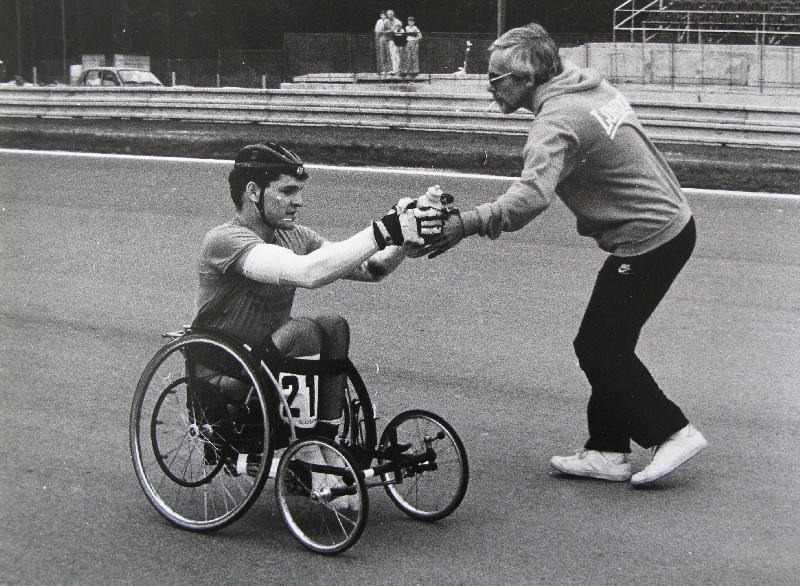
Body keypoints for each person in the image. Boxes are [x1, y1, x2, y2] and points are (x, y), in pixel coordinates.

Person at [420, 23, 707, 486]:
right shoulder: (582, 82)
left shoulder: (556, 123)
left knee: (598, 346)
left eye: (497, 78)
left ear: (529, 77)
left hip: (650, 238)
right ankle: (607, 451)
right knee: (608, 342)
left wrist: (466, 223)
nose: (489, 87)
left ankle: (671, 431)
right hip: (669, 224)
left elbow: (531, 197)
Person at [193, 142, 442, 445]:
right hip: (224, 377)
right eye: (287, 191)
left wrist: (401, 241)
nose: (299, 201)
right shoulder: (224, 240)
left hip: (266, 365)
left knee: (334, 326)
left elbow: (372, 268)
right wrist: (385, 229)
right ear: (253, 192)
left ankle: (323, 437)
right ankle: (308, 450)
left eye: (299, 191)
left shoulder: (297, 235)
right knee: (303, 331)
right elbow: (308, 272)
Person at [383, 10, 403, 75]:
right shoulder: (386, 21)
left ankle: (397, 70)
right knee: (392, 55)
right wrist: (389, 31)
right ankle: (394, 70)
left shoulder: (397, 21)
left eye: (390, 14)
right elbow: (383, 30)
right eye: (388, 14)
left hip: (397, 40)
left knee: (396, 55)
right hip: (390, 40)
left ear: (393, 14)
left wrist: (394, 29)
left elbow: (399, 27)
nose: (389, 16)